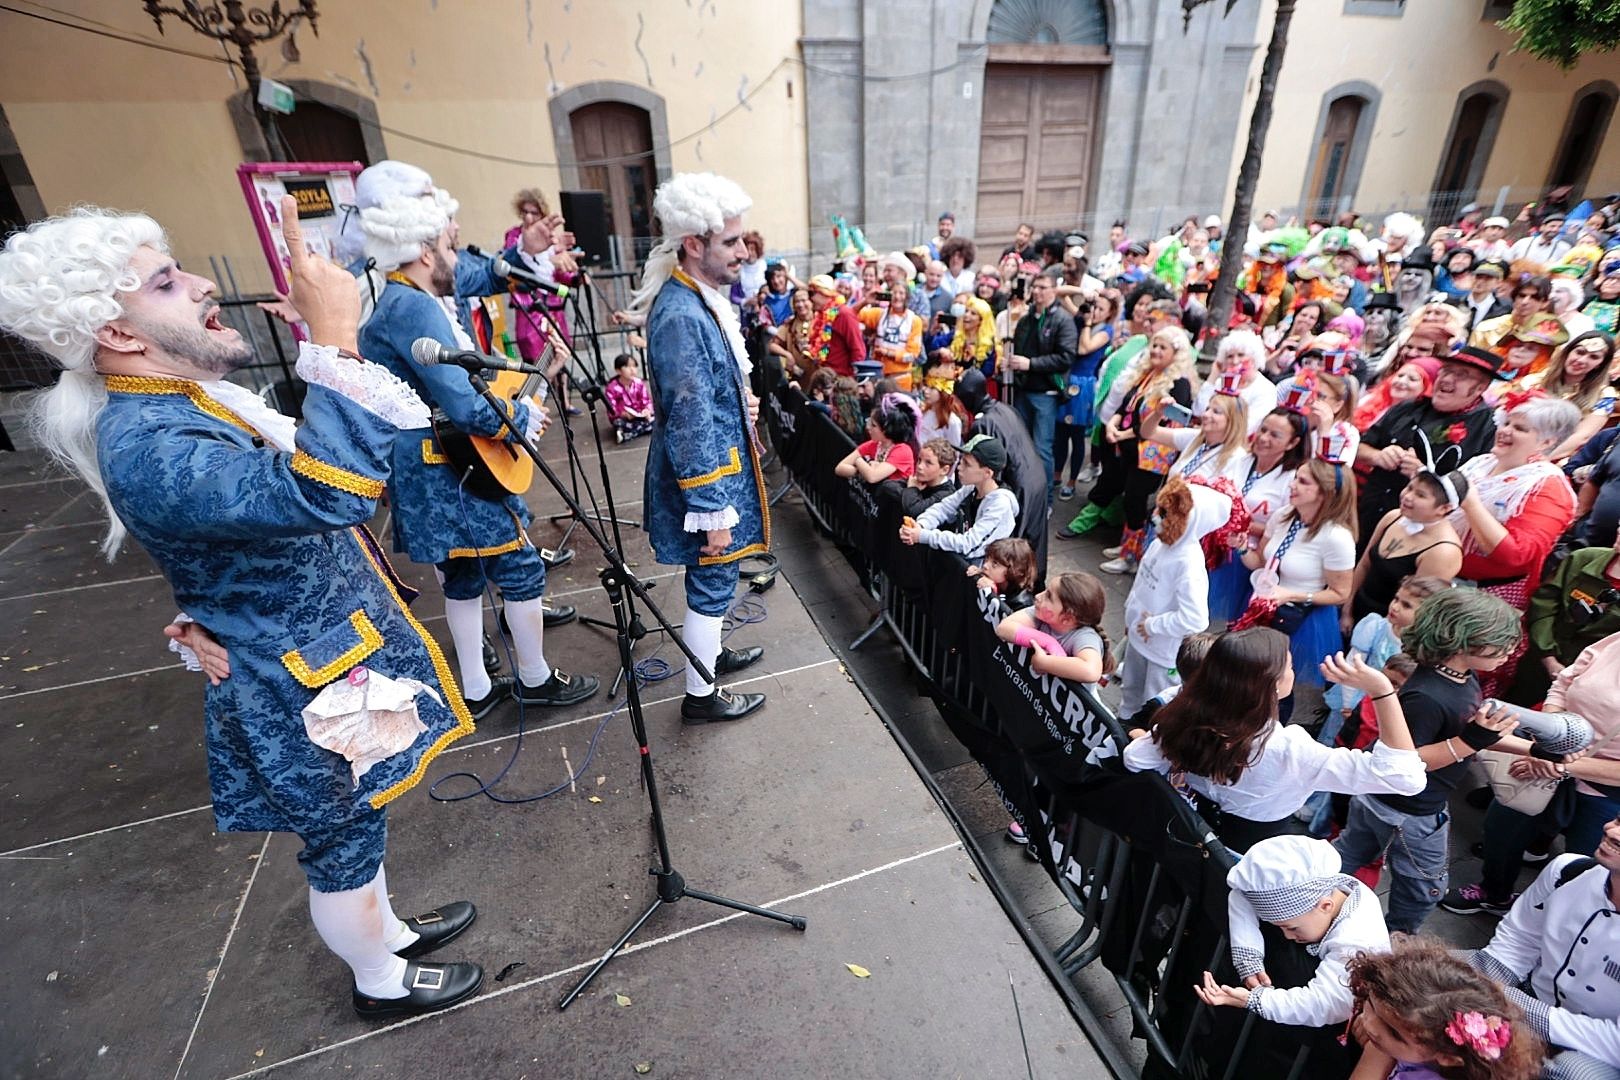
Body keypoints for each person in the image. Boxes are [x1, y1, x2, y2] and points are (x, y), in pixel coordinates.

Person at [0, 201, 488, 1018]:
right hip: (301, 687)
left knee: (359, 829)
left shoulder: (181, 402)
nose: (198, 284)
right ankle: (381, 981)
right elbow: (328, 490)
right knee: (342, 844)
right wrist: (332, 339)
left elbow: (238, 520)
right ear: (118, 335)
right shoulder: (151, 439)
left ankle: (388, 934)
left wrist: (198, 611)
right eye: (165, 280)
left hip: (318, 660)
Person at [354, 164, 599, 720]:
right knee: (518, 567)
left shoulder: (402, 293)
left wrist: (529, 254)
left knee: (463, 574)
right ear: (422, 249)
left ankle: (476, 688)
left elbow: (481, 278)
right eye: (447, 242)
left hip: (428, 466)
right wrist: (520, 414)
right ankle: (534, 679)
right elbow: (466, 404)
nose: (456, 251)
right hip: (451, 470)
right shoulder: (415, 304)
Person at [629, 172, 771, 724]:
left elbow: (709, 393)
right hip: (707, 481)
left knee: (718, 578)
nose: (743, 250)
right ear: (694, 244)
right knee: (712, 576)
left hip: (719, 469)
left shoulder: (695, 298)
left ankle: (708, 656)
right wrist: (710, 510)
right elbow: (689, 420)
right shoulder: (682, 315)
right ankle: (701, 693)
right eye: (730, 242)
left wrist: (742, 405)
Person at [1332, 587, 1526, 933]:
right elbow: (1407, 761)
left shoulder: (1459, 677)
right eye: (1500, 643)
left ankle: (1315, 906)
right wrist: (1470, 740)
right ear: (1464, 640)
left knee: (1344, 857)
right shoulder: (1427, 696)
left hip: (1377, 802)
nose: (1510, 651)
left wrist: (1535, 749)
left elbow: (1473, 734)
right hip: (1410, 812)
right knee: (1422, 892)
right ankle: (1395, 942)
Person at [1125, 635, 1425, 853]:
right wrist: (1382, 690)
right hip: (1249, 862)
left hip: (1186, 843)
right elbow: (1406, 778)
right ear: (1271, 687)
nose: (1294, 672)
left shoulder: (1183, 716)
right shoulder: (1289, 749)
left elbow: (1135, 758)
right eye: (1291, 667)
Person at [1446, 635, 1620, 921]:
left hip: (1604, 790)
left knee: (1588, 867)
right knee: (1501, 831)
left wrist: (1561, 765)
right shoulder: (1613, 642)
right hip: (1543, 756)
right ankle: (1494, 894)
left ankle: (1561, 926)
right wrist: (1551, 738)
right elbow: (1563, 684)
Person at [1449, 398, 1582, 696]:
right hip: (1439, 575)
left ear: (1547, 441)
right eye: (1506, 422)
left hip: (1482, 598)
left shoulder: (1548, 487)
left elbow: (1516, 556)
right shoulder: (1481, 463)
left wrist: (1469, 502)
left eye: (1520, 428)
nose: (1506, 431)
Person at [1194, 835, 1389, 1029]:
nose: (1287, 936)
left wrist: (1257, 1000)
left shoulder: (1356, 943)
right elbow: (1242, 894)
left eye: (1291, 928)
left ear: (1325, 906)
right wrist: (1248, 957)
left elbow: (1331, 1003)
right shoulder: (1329, 890)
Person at [1466, 839, 1620, 1079]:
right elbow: (1518, 939)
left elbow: (1615, 1043)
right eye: (1619, 819)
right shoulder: (1569, 870)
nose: (1613, 832)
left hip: (1597, 1050)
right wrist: (1481, 981)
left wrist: (1510, 1002)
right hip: (1528, 993)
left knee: (1576, 1074)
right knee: (1417, 974)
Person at [1355, 344, 1502, 547]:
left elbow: (1478, 489)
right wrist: (1377, 456)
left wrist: (1426, 474)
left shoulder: (1489, 429)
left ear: (1480, 388)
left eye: (1462, 375)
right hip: (1368, 516)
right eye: (1447, 370)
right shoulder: (1408, 406)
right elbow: (1360, 447)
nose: (1448, 378)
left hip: (1421, 538)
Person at [1236, 459, 1359, 695]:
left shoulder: (1337, 537)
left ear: (1327, 493)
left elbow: (1340, 593)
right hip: (1260, 606)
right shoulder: (1283, 515)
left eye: (1303, 482)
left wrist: (1290, 594)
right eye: (1296, 478)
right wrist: (1241, 548)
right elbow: (1260, 564)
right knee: (1244, 675)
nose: (1292, 485)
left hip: (1295, 617)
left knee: (1274, 686)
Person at [1346, 937, 1544, 1080]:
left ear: (1448, 1058)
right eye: (1370, 1004)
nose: (1370, 1024)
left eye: (1394, 1033)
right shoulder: (1423, 1045)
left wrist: (1375, 1051)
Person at [1117, 478, 1233, 716]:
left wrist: (1152, 625)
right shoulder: (1159, 545)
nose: (1156, 516)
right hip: (1139, 638)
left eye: (1166, 513)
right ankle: (1120, 732)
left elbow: (1196, 619)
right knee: (1129, 692)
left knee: (1153, 705)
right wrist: (1131, 617)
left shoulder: (1188, 564)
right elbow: (1142, 584)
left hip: (1162, 651)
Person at [1095, 325, 1201, 573]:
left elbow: (1165, 423)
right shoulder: (1147, 375)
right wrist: (1113, 422)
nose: (1155, 350)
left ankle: (1130, 556)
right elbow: (1126, 406)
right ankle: (1126, 547)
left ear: (1176, 353)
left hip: (1152, 456)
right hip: (1132, 450)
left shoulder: (1179, 384)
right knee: (1130, 499)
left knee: (1135, 499)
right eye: (1154, 345)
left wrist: (1123, 433)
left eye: (1162, 347)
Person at [1208, 407, 1311, 623]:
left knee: (1224, 620)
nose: (1263, 438)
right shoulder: (1241, 461)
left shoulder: (1291, 479)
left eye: (1275, 435)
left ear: (1293, 443)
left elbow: (1283, 528)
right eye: (1263, 430)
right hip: (1215, 546)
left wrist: (1240, 524)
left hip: (1249, 559)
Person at [955, 369, 1050, 580]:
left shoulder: (983, 424)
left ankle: (1018, 590)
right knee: (1035, 541)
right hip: (1037, 478)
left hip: (1019, 485)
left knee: (1017, 547)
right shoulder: (1004, 408)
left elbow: (981, 468)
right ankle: (1035, 583)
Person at [1511, 536, 1620, 706]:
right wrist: (1548, 657)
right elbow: (1543, 605)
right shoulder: (1582, 559)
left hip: (1588, 685)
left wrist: (1575, 674)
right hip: (1539, 660)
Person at [1348, 471, 1467, 623]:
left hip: (1388, 624)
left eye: (1420, 495)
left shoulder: (1443, 551)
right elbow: (1364, 564)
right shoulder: (1393, 516)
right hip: (1355, 608)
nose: (1407, 496)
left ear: (1444, 508)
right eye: (1409, 488)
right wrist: (1347, 608)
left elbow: (1414, 605)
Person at [1007, 266, 1081, 495]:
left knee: (1041, 448)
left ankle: (1045, 497)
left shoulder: (1063, 320)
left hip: (1046, 393)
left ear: (1053, 291)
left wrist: (1031, 364)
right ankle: (1024, 491)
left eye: (1043, 287)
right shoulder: (1026, 319)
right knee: (1021, 446)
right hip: (1023, 390)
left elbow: (1066, 357)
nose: (1037, 291)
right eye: (1035, 287)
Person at [898, 433, 1019, 559]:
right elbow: (943, 508)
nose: (959, 467)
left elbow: (968, 544)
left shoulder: (1000, 505)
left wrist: (922, 535)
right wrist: (921, 525)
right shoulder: (971, 488)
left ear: (987, 473)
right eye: (961, 460)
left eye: (967, 464)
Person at [995, 571, 1117, 685]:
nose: (1038, 596)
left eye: (1049, 596)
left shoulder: (1085, 637)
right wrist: (1049, 642)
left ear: (1067, 618)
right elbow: (1003, 628)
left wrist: (1044, 663)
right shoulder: (1041, 613)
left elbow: (1091, 671)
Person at [1055, 290, 1119, 497]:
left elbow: (1084, 349)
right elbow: (1059, 294)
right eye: (1094, 306)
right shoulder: (1084, 318)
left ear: (1109, 313)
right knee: (1060, 434)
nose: (1095, 311)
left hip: (1083, 385)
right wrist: (1082, 292)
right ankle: (1057, 475)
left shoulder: (1106, 330)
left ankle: (1072, 481)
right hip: (1067, 380)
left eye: (1101, 308)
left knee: (1076, 436)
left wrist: (1088, 323)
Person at [1521, 331, 1618, 462]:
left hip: (1551, 458)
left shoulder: (1604, 396)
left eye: (1593, 357)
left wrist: (1542, 458)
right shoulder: (1533, 381)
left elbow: (1583, 435)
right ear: (1568, 352)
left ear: (1600, 364)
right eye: (1580, 352)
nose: (1582, 360)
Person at [1140, 381, 1251, 485]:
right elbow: (1148, 433)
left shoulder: (1237, 457)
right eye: (1207, 409)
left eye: (1216, 412)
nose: (1206, 415)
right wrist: (1158, 413)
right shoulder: (1195, 437)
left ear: (1233, 420)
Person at [1194, 329, 1278, 436]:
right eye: (1230, 356)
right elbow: (1198, 411)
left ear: (1254, 357)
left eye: (1241, 355)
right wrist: (1213, 376)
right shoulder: (1221, 382)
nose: (1235, 361)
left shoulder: (1266, 389)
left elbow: (1248, 427)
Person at [835, 392, 919, 484]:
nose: (868, 427)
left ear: (887, 430)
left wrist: (858, 461)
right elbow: (840, 468)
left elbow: (872, 477)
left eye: (873, 425)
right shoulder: (873, 444)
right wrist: (864, 470)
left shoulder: (902, 450)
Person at [857, 281, 924, 389]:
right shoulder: (879, 314)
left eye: (901, 293)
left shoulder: (914, 321)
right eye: (894, 293)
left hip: (900, 379)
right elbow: (851, 315)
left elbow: (912, 356)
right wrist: (865, 301)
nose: (897, 297)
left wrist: (888, 353)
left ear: (907, 297)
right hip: (878, 376)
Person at [1352, 356, 1439, 433]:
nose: (1401, 381)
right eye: (1400, 375)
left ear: (1427, 388)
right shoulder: (1368, 399)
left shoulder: (1418, 422)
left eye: (1412, 379)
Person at [1472, 274, 1554, 352]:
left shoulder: (1550, 336)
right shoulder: (1486, 329)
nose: (1525, 302)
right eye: (1522, 296)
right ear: (1514, 299)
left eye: (1535, 297)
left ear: (1545, 303)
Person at [804, 274, 866, 378]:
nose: (809, 299)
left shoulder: (844, 314)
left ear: (823, 293)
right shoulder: (821, 315)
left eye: (811, 294)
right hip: (824, 376)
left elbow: (858, 351)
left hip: (840, 380)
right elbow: (826, 346)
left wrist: (853, 380)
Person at [968, 536, 1037, 609]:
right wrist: (978, 574)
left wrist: (993, 592)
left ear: (1015, 570)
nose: (985, 565)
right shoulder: (999, 580)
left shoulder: (1021, 604)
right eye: (987, 559)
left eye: (994, 564)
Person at [603, 353, 655, 444]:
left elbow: (646, 400)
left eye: (634, 366)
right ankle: (633, 430)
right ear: (618, 370)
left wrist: (646, 410)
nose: (632, 370)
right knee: (618, 423)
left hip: (639, 416)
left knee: (657, 419)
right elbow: (611, 409)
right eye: (627, 366)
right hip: (624, 418)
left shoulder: (639, 383)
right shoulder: (612, 388)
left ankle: (628, 434)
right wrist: (623, 414)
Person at [901, 437, 958, 517]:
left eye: (928, 463)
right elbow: (889, 485)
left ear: (944, 470)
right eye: (919, 460)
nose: (920, 466)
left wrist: (912, 489)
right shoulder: (919, 481)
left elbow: (914, 510)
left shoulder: (946, 495)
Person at [1454, 259, 1513, 334]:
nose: (1480, 281)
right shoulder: (1455, 301)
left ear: (1498, 283)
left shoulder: (1505, 309)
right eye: (1478, 276)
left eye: (1488, 278)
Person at [1508, 211, 1574, 271]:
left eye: (1559, 227)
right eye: (1552, 226)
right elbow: (1508, 259)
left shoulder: (1564, 248)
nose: (1555, 229)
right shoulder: (1523, 242)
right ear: (1542, 227)